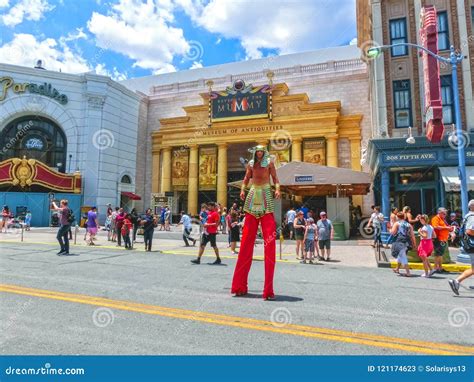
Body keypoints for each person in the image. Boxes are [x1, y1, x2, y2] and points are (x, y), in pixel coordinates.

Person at [231, 145, 280, 300]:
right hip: (252, 196)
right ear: (254, 153)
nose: (259, 153)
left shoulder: (270, 163)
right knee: (246, 241)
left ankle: (268, 290)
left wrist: (277, 189)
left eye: (261, 151)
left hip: (265, 194)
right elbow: (246, 179)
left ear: (264, 152)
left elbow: (276, 180)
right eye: (257, 151)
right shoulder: (251, 164)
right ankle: (239, 286)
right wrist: (242, 189)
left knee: (269, 242)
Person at [448, 199, 474, 295]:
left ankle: (456, 281)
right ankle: (456, 281)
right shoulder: (472, 217)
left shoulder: (467, 216)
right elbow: (469, 231)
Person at [391, 211, 416, 277]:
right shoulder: (409, 224)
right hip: (407, 241)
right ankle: (397, 268)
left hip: (400, 240)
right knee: (401, 254)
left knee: (403, 256)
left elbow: (393, 232)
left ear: (398, 217)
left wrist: (389, 229)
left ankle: (408, 272)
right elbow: (412, 235)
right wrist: (414, 244)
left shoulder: (397, 223)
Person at [431, 207, 454, 274]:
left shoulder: (443, 219)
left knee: (440, 254)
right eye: (444, 213)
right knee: (437, 254)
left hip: (443, 239)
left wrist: (450, 229)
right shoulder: (435, 218)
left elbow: (445, 227)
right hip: (438, 238)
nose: (445, 215)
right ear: (439, 213)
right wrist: (446, 227)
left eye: (445, 214)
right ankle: (435, 268)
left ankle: (440, 268)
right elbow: (435, 226)